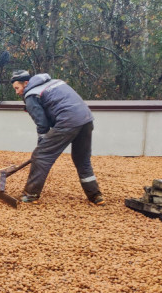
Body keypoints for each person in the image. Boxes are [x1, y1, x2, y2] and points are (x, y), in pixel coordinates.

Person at [10, 70, 105, 205]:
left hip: (67, 120)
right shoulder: (54, 82)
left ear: (26, 83)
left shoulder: (31, 94)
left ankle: (30, 195)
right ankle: (96, 196)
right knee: (82, 158)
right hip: (86, 119)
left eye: (17, 88)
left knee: (41, 156)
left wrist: (41, 143)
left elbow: (42, 124)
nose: (17, 92)